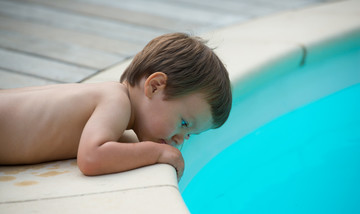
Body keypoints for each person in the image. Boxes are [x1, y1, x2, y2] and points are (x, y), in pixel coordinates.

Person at [0, 33, 232, 181]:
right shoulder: (116, 102)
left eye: (189, 134)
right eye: (183, 123)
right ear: (155, 86)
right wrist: (159, 152)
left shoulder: (115, 101)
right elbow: (92, 158)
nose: (180, 139)